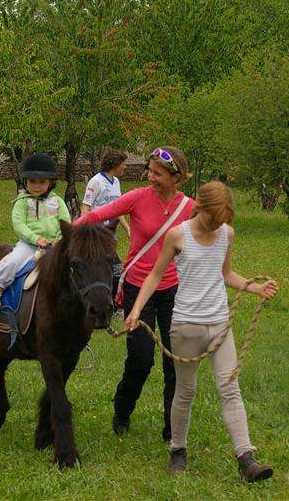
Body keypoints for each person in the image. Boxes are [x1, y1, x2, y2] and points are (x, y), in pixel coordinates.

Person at [124, 181, 277, 482]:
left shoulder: (227, 234)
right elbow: (155, 275)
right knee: (185, 391)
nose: (216, 225)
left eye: (221, 221)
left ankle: (246, 458)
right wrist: (136, 309)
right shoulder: (178, 235)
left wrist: (255, 288)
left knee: (230, 388)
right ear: (200, 207)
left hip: (219, 325)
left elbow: (226, 274)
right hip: (185, 326)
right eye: (212, 219)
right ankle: (178, 450)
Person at [73, 146, 193, 442]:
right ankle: (122, 411)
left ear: (176, 177)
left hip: (174, 289)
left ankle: (172, 428)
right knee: (141, 359)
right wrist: (64, 233)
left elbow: (211, 232)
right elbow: (98, 214)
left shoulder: (189, 207)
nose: (150, 177)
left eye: (158, 173)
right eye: (149, 171)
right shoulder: (138, 197)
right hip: (138, 287)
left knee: (174, 361)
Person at [0, 152, 70, 319]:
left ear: (51, 183)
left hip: (55, 245)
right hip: (29, 245)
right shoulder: (22, 202)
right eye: (32, 181)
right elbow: (19, 225)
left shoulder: (57, 201)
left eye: (42, 182)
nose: (37, 186)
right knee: (12, 262)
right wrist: (35, 239)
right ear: (25, 181)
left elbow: (65, 221)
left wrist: (60, 239)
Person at [81, 148, 131, 238]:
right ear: (115, 165)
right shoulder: (96, 181)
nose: (125, 166)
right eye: (123, 164)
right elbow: (85, 207)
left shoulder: (116, 182)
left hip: (110, 232)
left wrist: (128, 229)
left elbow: (117, 209)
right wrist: (84, 231)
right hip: (96, 232)